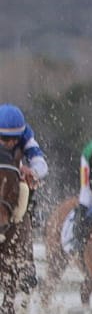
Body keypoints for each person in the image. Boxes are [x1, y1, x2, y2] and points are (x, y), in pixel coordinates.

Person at [0, 105, 48, 290]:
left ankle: (26, 261)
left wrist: (32, 171)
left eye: (14, 139)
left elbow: (41, 164)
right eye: (4, 139)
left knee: (25, 189)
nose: (10, 143)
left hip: (12, 177)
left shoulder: (27, 135)